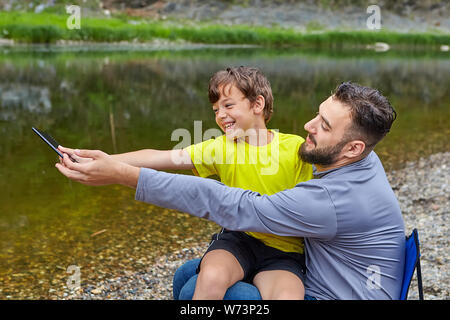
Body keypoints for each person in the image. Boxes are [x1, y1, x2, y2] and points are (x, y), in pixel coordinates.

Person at [55, 81, 406, 300]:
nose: (308, 126)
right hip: (323, 275)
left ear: (352, 148)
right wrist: (108, 159)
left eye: (324, 125)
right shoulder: (362, 160)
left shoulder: (329, 199)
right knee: (186, 274)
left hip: (326, 292)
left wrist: (120, 174)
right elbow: (169, 157)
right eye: (317, 115)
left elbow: (232, 204)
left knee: (201, 288)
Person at [59, 66, 313, 300]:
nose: (221, 115)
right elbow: (160, 157)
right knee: (211, 277)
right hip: (238, 241)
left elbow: (315, 202)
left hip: (284, 252)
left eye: (228, 105)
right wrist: (106, 160)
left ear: (257, 104)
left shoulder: (294, 148)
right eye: (215, 110)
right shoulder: (220, 147)